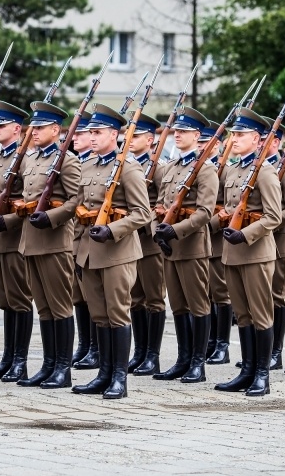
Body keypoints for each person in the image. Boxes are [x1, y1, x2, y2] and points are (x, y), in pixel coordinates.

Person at [71, 104, 149, 398]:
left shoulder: (128, 167)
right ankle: (104, 374)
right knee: (98, 316)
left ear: (115, 134)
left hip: (118, 253)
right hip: (89, 254)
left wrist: (113, 230)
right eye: (90, 131)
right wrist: (77, 253)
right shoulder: (87, 165)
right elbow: (81, 215)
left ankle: (119, 378)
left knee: (117, 314)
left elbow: (142, 213)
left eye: (98, 132)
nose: (92, 136)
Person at [214, 109, 281, 396]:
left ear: (256, 139)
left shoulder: (264, 172)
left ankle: (262, 375)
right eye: (233, 134)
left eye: (240, 135)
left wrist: (246, 233)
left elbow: (274, 216)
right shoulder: (233, 169)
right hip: (233, 252)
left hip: (255, 253)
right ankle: (247, 370)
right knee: (242, 314)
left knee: (261, 314)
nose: (235, 139)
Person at [15, 101, 80, 389]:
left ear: (56, 130)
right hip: (31, 241)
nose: (34, 131)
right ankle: (48, 364)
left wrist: (51, 217)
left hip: (54, 242)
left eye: (40, 127)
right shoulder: (31, 159)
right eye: (33, 126)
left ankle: (63, 369)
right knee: (43, 307)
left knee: (60, 306)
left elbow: (76, 200)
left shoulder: (67, 160)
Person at [152, 107, 218, 383]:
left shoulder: (206, 170)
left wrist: (173, 232)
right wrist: (159, 231)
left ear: (197, 135)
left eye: (183, 132)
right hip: (170, 248)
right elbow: (161, 207)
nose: (177, 135)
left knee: (198, 305)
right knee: (178, 306)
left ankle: (197, 364)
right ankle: (182, 359)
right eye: (175, 131)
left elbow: (205, 213)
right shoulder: (170, 167)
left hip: (191, 247)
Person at [0, 101, 35, 382]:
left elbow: (29, 201)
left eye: (1, 125)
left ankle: (20, 361)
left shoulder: (26, 159)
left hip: (14, 237)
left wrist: (10, 219)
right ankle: (7, 357)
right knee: (4, 301)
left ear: (17, 128)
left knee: (19, 300)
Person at [127, 113, 167, 375]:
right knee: (135, 299)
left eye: (137, 136)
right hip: (131, 241)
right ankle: (139, 352)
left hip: (150, 241)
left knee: (154, 299)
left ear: (150, 140)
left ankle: (153, 355)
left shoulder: (160, 168)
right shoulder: (127, 165)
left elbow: (164, 205)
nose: (130, 140)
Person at [261, 119, 285, 370]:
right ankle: (261, 353)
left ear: (275, 143)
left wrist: (266, 217)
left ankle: (276, 351)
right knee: (259, 299)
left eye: (264, 139)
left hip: (279, 241)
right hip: (257, 242)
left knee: (276, 296)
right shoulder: (257, 168)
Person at [69, 112, 100, 370]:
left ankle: (97, 350)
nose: (77, 138)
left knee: (95, 299)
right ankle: (85, 345)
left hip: (97, 242)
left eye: (83, 133)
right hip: (77, 240)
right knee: (79, 296)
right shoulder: (81, 164)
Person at [200, 125, 233, 365]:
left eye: (206, 143)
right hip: (200, 240)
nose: (202, 147)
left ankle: (222, 344)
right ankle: (210, 342)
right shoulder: (196, 169)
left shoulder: (225, 171)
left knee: (221, 293)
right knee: (207, 293)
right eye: (199, 143)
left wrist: (209, 222)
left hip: (218, 238)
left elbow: (227, 208)